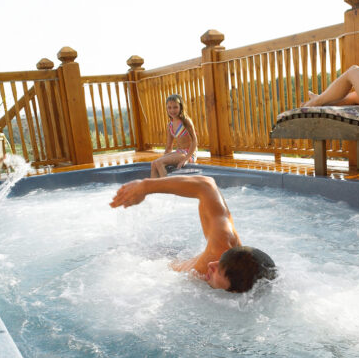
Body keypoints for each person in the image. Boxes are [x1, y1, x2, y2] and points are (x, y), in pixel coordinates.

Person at [110, 175, 276, 292]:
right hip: (160, 262)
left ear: (233, 292)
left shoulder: (250, 289)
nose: (212, 265)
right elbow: (206, 185)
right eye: (220, 260)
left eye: (218, 270)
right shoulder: (221, 244)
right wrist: (145, 187)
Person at [150, 94, 198, 178]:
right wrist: (163, 158)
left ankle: (166, 188)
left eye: (175, 107)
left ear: (181, 107)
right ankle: (154, 189)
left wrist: (186, 159)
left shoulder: (186, 121)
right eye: (169, 107)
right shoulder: (170, 125)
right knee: (154, 163)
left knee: (159, 163)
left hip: (188, 154)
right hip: (179, 152)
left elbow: (194, 141)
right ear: (166, 108)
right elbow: (169, 146)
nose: (172, 110)